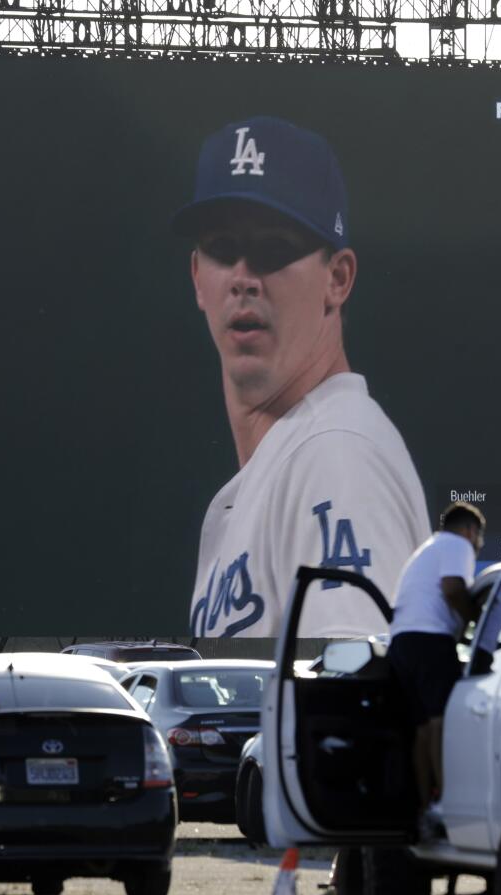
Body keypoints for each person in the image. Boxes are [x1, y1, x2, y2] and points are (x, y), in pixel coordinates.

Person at [174, 116, 430, 639]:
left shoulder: (336, 456)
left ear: (337, 279)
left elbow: (354, 706)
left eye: (273, 250)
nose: (243, 278)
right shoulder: (264, 478)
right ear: (199, 277)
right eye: (223, 249)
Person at [386, 502, 485, 813]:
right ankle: (448, 800)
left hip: (401, 643)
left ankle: (424, 805)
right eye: (480, 539)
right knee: (443, 721)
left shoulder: (427, 549)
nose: (479, 546)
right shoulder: (458, 545)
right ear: (470, 531)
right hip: (431, 641)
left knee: (422, 727)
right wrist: (478, 620)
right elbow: (453, 588)